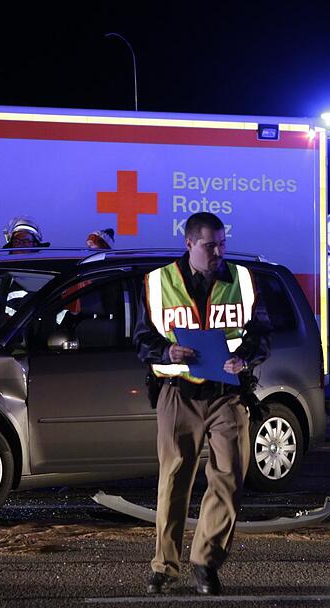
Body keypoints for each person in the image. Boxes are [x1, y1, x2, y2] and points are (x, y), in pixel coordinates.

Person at [134, 212, 273, 595]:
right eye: (211, 245)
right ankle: (164, 566)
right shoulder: (158, 282)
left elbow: (262, 333)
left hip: (227, 393)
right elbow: (142, 340)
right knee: (174, 480)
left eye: (222, 243)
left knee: (229, 479)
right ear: (189, 243)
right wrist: (168, 350)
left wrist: (245, 357)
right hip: (178, 392)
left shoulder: (242, 280)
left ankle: (205, 562)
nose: (219, 252)